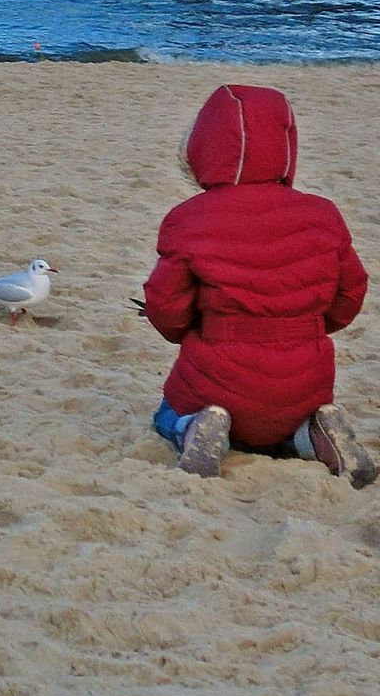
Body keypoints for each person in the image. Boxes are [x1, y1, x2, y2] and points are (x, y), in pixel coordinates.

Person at [143, 85, 373, 485]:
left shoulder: (188, 219)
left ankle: (196, 426)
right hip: (306, 378)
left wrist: (189, 332)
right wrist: (310, 328)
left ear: (205, 146)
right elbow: (351, 290)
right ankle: (314, 431)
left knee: (166, 415)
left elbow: (165, 305)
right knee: (282, 431)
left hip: (218, 373)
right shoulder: (323, 214)